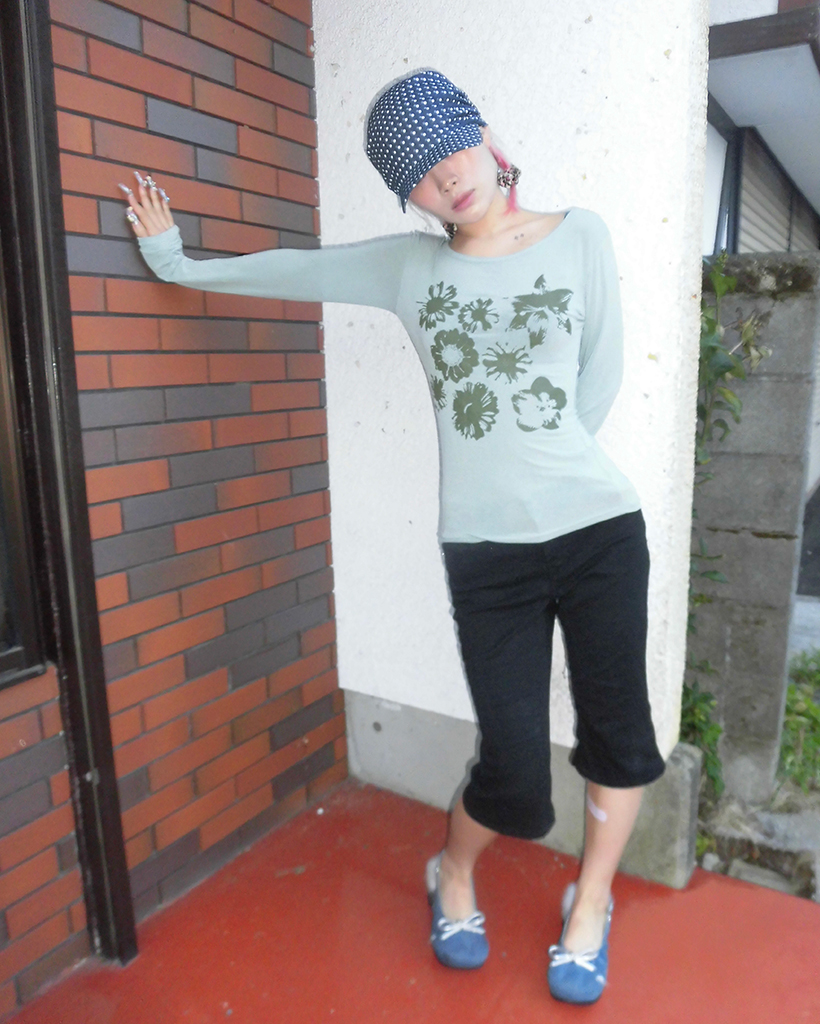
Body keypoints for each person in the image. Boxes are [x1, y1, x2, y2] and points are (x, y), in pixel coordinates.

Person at [121, 68, 665, 1006]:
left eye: (449, 149)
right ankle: (451, 873)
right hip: (486, 555)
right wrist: (178, 265)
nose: (444, 176)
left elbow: (600, 377)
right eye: (417, 172)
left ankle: (590, 904)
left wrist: (543, 466)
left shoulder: (582, 236)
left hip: (600, 532)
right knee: (514, 774)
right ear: (409, 195)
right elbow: (298, 269)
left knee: (619, 739)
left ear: (483, 137)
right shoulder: (411, 269)